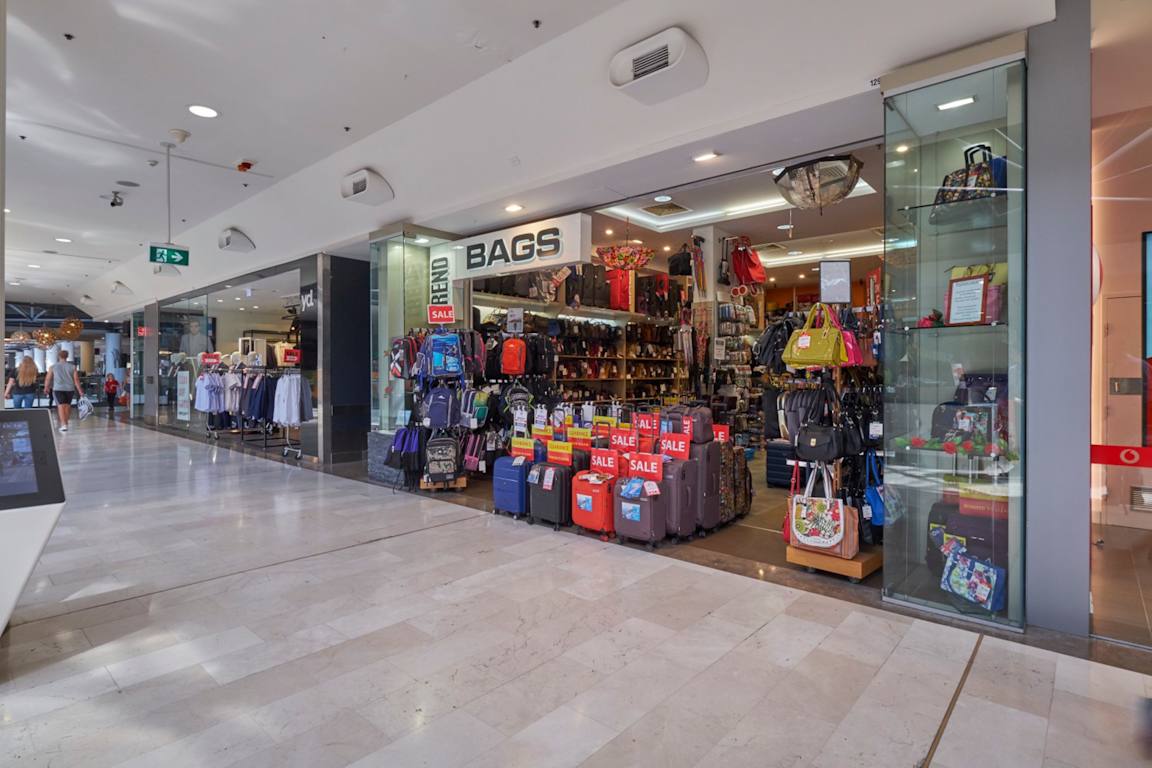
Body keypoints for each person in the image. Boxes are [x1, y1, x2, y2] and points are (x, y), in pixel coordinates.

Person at [44, 349, 83, 432]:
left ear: (59, 356)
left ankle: (64, 424)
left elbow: (48, 378)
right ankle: (66, 423)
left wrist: (46, 387)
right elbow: (76, 380)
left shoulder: (53, 367)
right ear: (67, 356)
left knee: (61, 406)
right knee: (67, 406)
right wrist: (80, 391)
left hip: (58, 389)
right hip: (70, 389)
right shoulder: (72, 367)